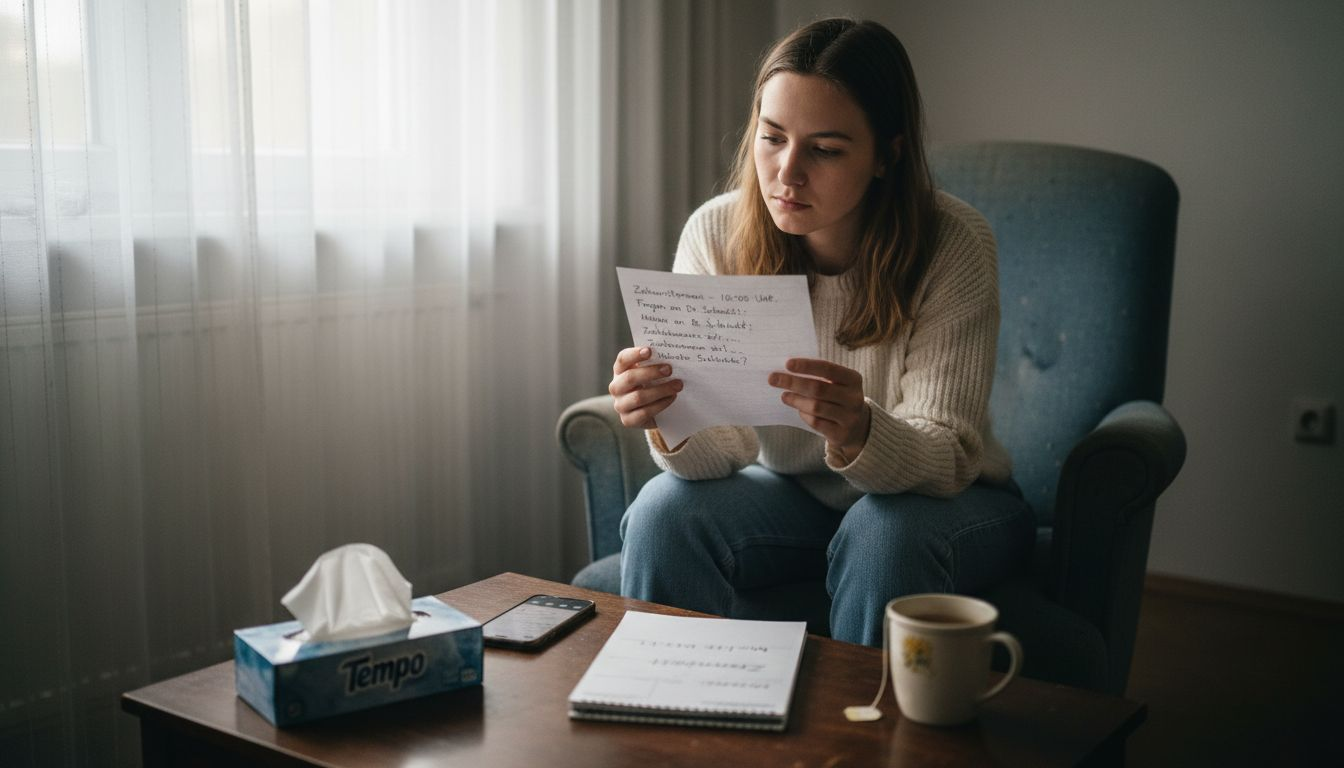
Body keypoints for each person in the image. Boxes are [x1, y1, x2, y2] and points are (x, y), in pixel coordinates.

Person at [606, 17, 1034, 646]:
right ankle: (673, 728)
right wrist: (669, 418)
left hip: (949, 502)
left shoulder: (952, 243)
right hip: (790, 492)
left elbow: (948, 455)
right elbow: (717, 455)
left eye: (826, 150)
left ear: (887, 154)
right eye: (771, 137)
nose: (787, 172)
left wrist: (861, 429)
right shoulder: (717, 234)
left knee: (883, 533)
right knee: (663, 511)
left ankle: (865, 741)